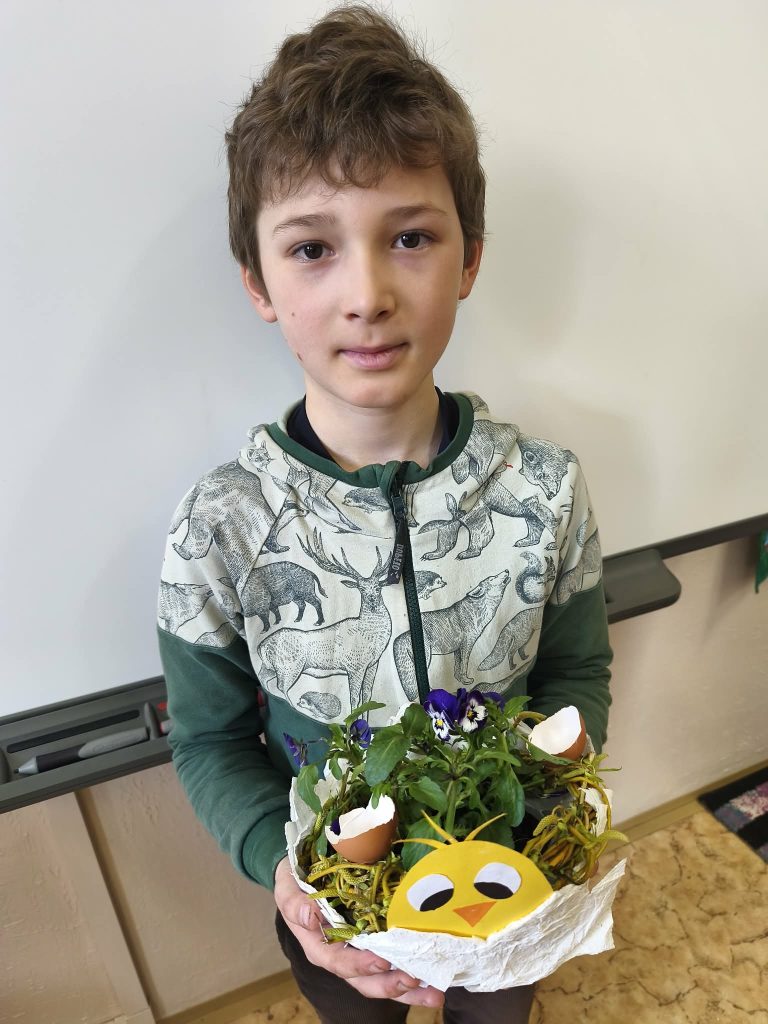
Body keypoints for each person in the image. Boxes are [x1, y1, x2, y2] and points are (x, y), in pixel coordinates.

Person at [157, 6, 612, 1023]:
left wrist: (561, 808)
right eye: (312, 249)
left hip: (506, 887)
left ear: (469, 258)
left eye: (410, 237)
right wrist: (283, 867)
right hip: (336, 912)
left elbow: (577, 671)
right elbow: (209, 738)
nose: (367, 294)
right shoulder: (219, 528)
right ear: (258, 282)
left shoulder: (547, 489)